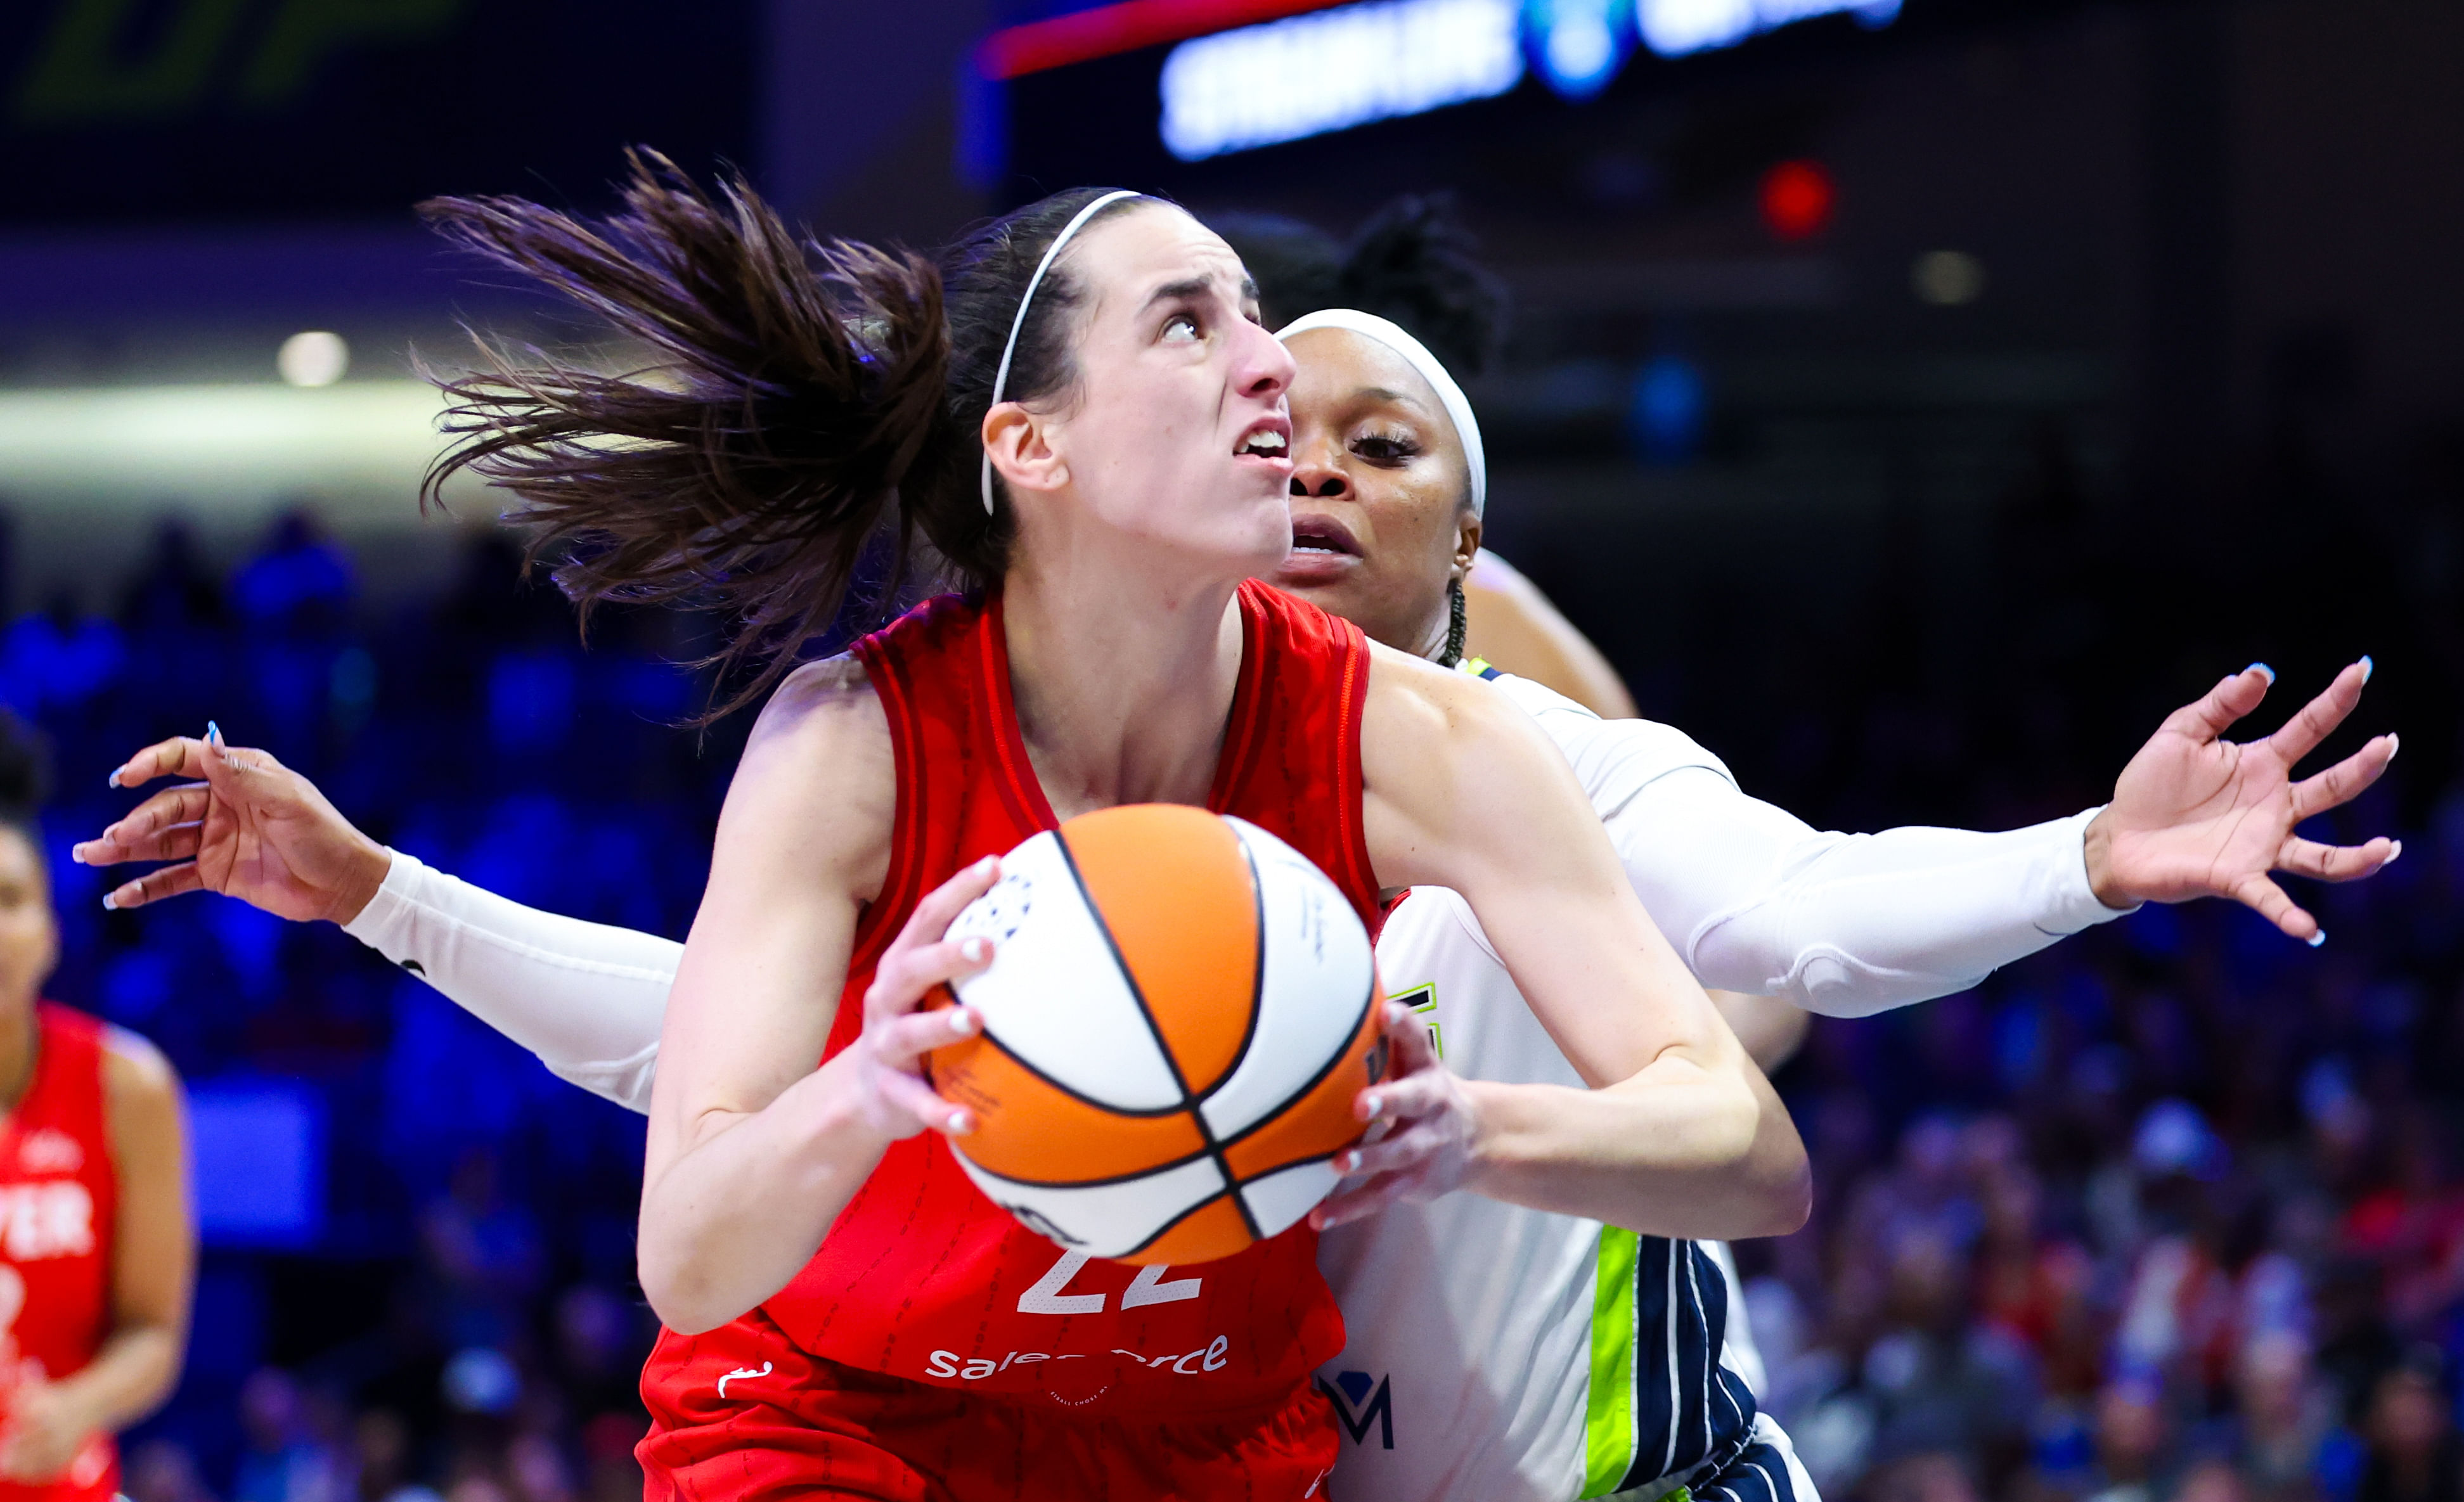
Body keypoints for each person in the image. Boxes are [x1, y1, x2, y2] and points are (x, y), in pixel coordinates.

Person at [81, 230, 2397, 1501]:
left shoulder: (1506, 752)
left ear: (1467, 529)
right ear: (1043, 446)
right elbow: (688, 1111)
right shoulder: (870, 734)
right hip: (885, 1413)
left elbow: (1796, 943)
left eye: (1370, 421)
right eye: (1216, 339)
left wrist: (2082, 855)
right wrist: (413, 900)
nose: (1287, 408)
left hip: (1289, 1448)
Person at [0, 710, 191, 1502]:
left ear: (50, 931)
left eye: (9, 899)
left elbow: (153, 1330)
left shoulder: (128, 1088)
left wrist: (79, 1407)